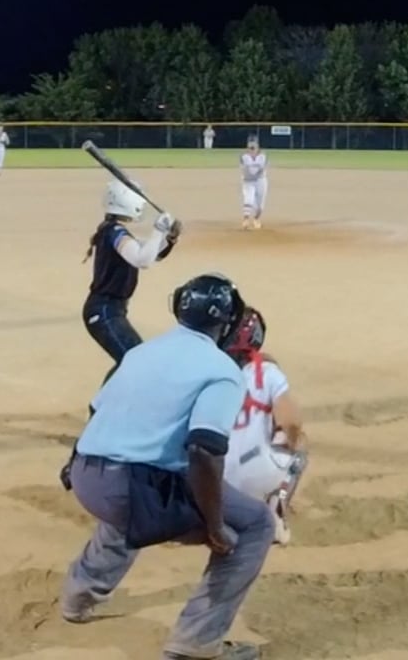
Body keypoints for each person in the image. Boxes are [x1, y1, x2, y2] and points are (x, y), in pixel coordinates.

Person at [59, 274, 273, 660]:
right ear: (226, 323)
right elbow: (205, 450)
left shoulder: (142, 352)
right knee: (255, 524)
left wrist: (75, 461)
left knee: (133, 503)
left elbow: (97, 409)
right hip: (130, 489)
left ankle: (78, 596)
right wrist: (215, 525)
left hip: (86, 475)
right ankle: (195, 643)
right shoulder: (221, 370)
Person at [219, 307, 306, 546]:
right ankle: (275, 512)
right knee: (299, 449)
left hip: (207, 478)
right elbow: (291, 423)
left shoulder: (204, 368)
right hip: (254, 474)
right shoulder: (267, 372)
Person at [82, 180, 182, 367]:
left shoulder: (113, 230)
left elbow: (152, 254)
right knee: (136, 362)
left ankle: (113, 387)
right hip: (104, 310)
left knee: (131, 362)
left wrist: (169, 238)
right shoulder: (114, 232)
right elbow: (142, 260)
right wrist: (158, 230)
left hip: (111, 309)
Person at [239, 135, 268, 230]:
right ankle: (246, 220)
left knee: (260, 205)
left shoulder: (263, 156)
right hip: (248, 181)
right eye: (250, 145)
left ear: (257, 145)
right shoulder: (244, 156)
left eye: (254, 145)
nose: (252, 147)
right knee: (248, 199)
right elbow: (244, 169)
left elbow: (262, 169)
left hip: (260, 181)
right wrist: (249, 177)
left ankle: (256, 219)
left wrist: (256, 175)